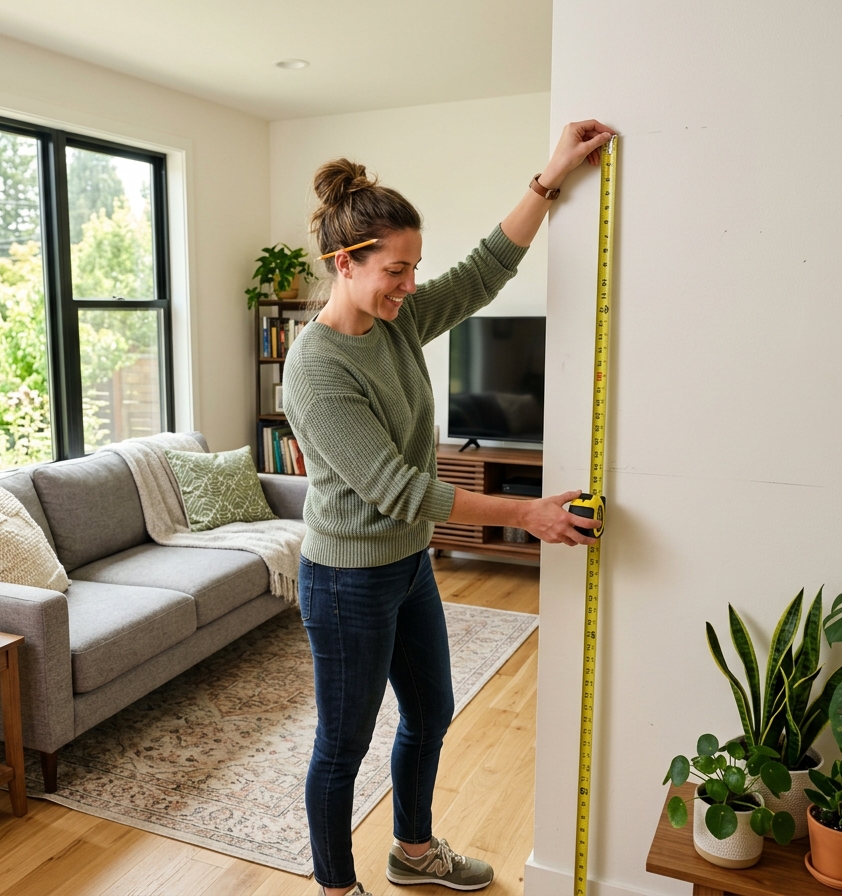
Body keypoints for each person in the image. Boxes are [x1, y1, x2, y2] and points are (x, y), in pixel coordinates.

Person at [282, 119, 616, 896]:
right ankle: (336, 887)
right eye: (396, 270)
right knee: (343, 744)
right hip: (346, 582)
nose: (409, 284)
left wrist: (551, 176)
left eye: (413, 268)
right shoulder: (317, 366)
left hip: (406, 565)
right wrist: (527, 514)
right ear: (346, 263)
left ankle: (413, 850)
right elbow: (398, 487)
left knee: (431, 713)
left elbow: (483, 273)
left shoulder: (395, 324)